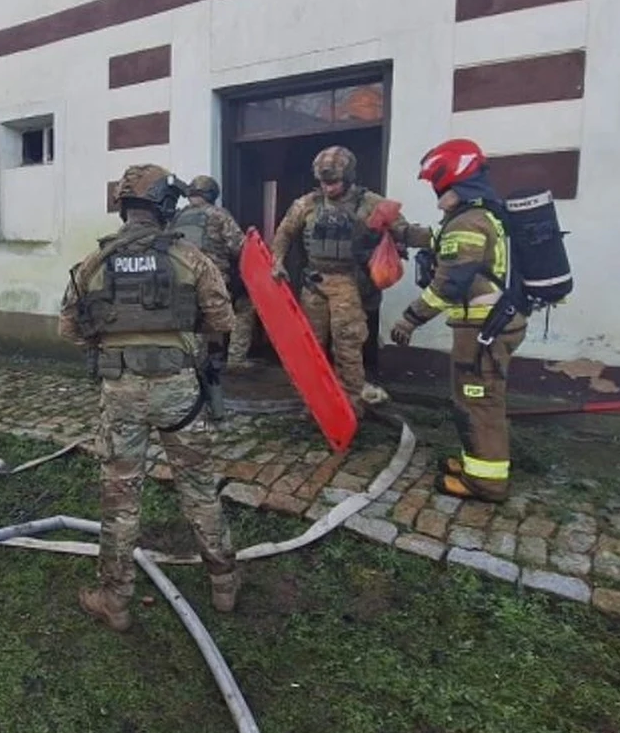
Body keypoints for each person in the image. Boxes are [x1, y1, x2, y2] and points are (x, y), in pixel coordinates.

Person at [59, 164, 240, 632]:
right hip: (180, 390)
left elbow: (70, 329)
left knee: (120, 496)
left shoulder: (94, 263)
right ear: (165, 207)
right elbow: (223, 321)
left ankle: (114, 600)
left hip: (120, 393)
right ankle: (224, 583)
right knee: (199, 486)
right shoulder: (191, 258)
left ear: (124, 206)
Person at [389, 139, 527, 503]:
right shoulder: (477, 215)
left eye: (438, 187)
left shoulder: (468, 222)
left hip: (484, 331)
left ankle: (486, 483)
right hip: (490, 328)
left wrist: (408, 320)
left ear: (455, 183)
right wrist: (402, 231)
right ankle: (475, 465)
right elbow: (438, 238)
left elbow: (448, 285)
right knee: (475, 399)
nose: (436, 195)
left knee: (478, 402)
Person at [270, 145, 430, 414]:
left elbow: (402, 231)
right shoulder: (307, 203)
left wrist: (434, 238)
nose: (328, 188)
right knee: (310, 344)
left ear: (349, 177)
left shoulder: (371, 203)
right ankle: (312, 399)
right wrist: (277, 261)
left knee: (347, 343)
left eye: (333, 182)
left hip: (348, 282)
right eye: (323, 182)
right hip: (314, 282)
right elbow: (285, 232)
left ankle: (352, 401)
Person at [172, 175, 258, 371]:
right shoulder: (218, 215)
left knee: (194, 319)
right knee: (244, 308)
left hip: (181, 280)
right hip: (213, 280)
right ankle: (236, 360)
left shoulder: (177, 218)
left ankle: (194, 363)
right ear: (212, 194)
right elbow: (239, 247)